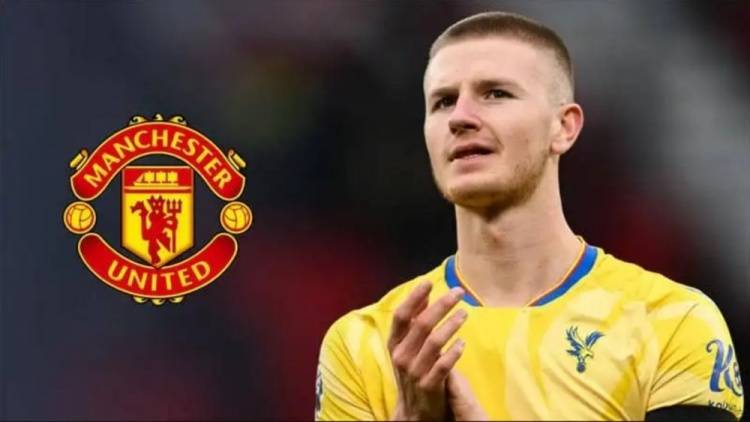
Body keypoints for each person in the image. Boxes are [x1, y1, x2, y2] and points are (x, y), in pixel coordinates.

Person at [315, 11, 744, 421]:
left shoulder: (671, 322)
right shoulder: (363, 344)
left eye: (495, 94)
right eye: (443, 102)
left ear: (564, 127)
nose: (460, 118)